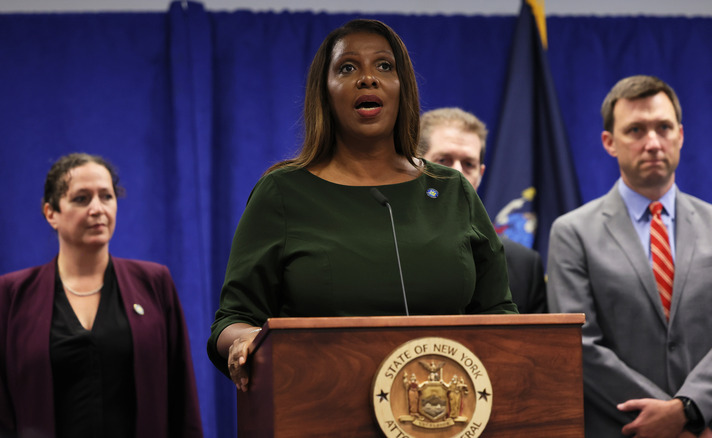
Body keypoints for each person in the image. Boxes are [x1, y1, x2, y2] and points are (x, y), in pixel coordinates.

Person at [207, 19, 517, 391]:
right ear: (325, 91)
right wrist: (245, 339)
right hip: (322, 404)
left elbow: (499, 314)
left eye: (384, 66)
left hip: (446, 409)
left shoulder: (450, 190)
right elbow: (234, 318)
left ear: (403, 88)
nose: (368, 78)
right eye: (348, 67)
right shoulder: (282, 192)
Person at [547, 75, 712, 437]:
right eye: (635, 130)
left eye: (663, 127)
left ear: (680, 134)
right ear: (609, 142)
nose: (652, 142)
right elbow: (579, 344)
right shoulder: (573, 233)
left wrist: (688, 410)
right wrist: (669, 422)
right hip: (625, 429)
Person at [0, 153, 203, 438]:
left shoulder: (155, 283)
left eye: (106, 196)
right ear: (51, 213)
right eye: (81, 198)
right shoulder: (13, 294)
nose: (97, 208)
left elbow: (182, 398)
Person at [419, 107, 547, 313]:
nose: (457, 173)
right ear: (416, 165)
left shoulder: (524, 265)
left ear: (480, 174)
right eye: (443, 161)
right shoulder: (389, 245)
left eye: (468, 164)